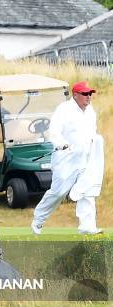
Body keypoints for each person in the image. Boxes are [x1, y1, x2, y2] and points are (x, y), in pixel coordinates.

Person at [31, 81, 104, 235]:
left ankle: (87, 226)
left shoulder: (91, 112)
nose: (88, 97)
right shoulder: (64, 109)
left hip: (85, 159)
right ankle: (38, 219)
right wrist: (61, 144)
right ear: (75, 95)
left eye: (90, 93)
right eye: (85, 94)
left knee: (87, 190)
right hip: (65, 159)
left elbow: (92, 133)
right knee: (58, 192)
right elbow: (54, 131)